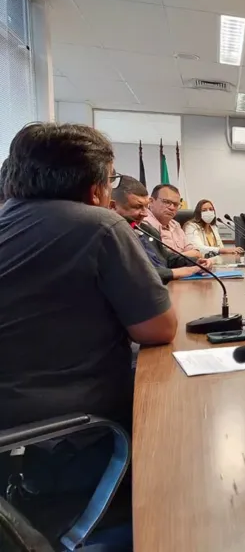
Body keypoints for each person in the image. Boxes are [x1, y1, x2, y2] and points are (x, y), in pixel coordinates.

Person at [0, 123, 177, 540]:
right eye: (110, 178)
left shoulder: (7, 219)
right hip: (74, 435)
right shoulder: (98, 225)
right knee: (180, 409)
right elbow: (158, 329)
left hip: (18, 434)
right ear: (95, 182)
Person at [112, 176, 209, 283]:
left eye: (145, 206)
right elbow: (136, 272)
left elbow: (168, 258)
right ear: (113, 206)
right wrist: (180, 272)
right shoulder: (111, 235)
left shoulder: (146, 229)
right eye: (137, 207)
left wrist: (196, 262)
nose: (144, 213)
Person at [144, 184, 201, 258]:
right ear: (151, 202)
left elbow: (195, 252)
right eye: (166, 202)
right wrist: (190, 255)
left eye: (176, 204)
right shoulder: (143, 224)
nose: (172, 208)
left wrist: (194, 254)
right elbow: (159, 260)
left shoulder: (175, 225)